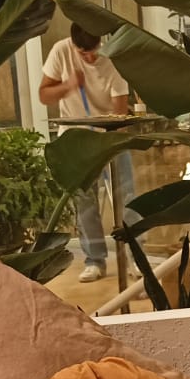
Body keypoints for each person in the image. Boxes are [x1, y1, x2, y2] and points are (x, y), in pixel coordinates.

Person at [39, 24, 131, 283]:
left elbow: (120, 109)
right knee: (85, 203)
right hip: (74, 140)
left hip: (109, 138)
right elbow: (44, 95)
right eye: (83, 53)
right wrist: (68, 85)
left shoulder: (112, 57)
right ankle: (95, 260)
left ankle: (135, 256)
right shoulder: (61, 51)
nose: (90, 57)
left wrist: (112, 140)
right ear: (73, 45)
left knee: (127, 197)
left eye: (93, 50)